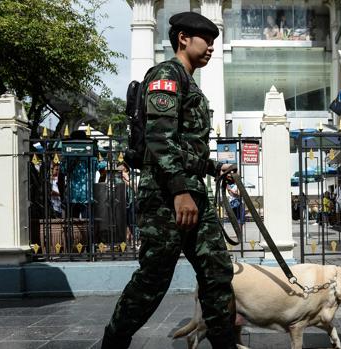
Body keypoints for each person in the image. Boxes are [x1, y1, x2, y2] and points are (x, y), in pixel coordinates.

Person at [101, 12, 237, 349]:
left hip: (192, 192)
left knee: (217, 274)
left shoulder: (189, 82)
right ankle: (113, 342)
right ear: (183, 39)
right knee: (153, 279)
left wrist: (210, 167)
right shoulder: (166, 75)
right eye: (206, 41)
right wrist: (179, 191)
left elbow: (182, 143)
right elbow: (160, 139)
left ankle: (225, 344)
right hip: (167, 196)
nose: (211, 49)